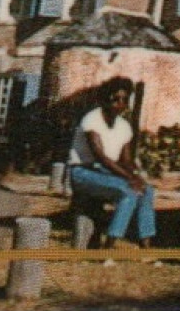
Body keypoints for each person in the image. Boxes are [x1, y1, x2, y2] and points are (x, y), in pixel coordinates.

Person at [67, 77, 157, 252]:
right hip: (83, 172)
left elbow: (127, 160)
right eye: (115, 99)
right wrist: (130, 178)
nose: (119, 104)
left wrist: (137, 177)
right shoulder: (91, 120)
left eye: (124, 100)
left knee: (147, 191)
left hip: (107, 173)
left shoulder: (124, 126)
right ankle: (108, 248)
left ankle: (146, 247)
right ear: (105, 99)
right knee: (128, 191)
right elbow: (100, 156)